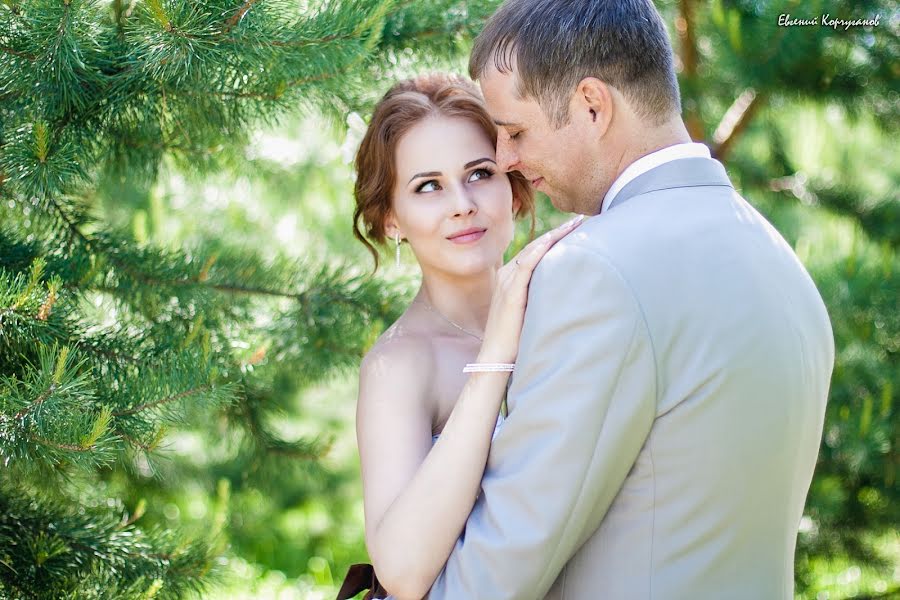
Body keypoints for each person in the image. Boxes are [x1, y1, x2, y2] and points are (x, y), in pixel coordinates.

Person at [422, 1, 835, 599]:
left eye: (516, 131)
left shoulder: (595, 271)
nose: (506, 159)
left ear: (592, 104)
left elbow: (497, 568)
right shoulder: (783, 265)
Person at [338, 73, 585, 600]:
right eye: (428, 186)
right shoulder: (400, 365)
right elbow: (402, 573)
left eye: (479, 173)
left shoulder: (568, 308)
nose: (461, 204)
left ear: (513, 185)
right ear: (390, 220)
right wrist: (493, 357)